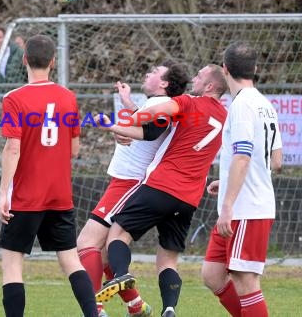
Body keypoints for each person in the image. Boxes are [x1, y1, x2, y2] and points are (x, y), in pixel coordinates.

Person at [94, 64, 228, 317]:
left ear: (210, 86)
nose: (194, 79)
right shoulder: (224, 117)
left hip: (161, 186)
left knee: (117, 234)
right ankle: (169, 308)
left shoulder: (189, 102)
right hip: (190, 199)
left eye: (199, 76)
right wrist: (127, 107)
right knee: (168, 260)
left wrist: (117, 123)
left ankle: (121, 276)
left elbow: (155, 111)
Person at [77, 60, 190, 317]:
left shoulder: (162, 107)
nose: (148, 72)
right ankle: (136, 305)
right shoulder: (157, 105)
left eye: (154, 72)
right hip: (124, 181)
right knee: (105, 253)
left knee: (85, 244)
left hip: (130, 183)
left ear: (164, 83)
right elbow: (150, 124)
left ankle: (94, 310)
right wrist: (128, 104)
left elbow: (151, 131)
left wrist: (114, 126)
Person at [0, 34, 97, 317]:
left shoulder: (14, 99)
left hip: (27, 195)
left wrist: (4, 194)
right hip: (59, 194)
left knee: (13, 263)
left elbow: (12, 147)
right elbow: (74, 150)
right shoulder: (68, 97)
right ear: (53, 62)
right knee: (70, 260)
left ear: (25, 60)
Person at [201, 42, 282, 317]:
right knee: (213, 274)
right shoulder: (264, 104)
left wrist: (228, 204)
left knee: (245, 281)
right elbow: (276, 160)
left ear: (225, 70)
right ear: (255, 69)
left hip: (246, 209)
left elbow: (244, 156)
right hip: (243, 203)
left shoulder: (242, 105)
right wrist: (228, 182)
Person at [0, 26, 26, 110]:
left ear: (6, 38)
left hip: (21, 101)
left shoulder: (19, 53)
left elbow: (30, 74)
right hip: (1, 104)